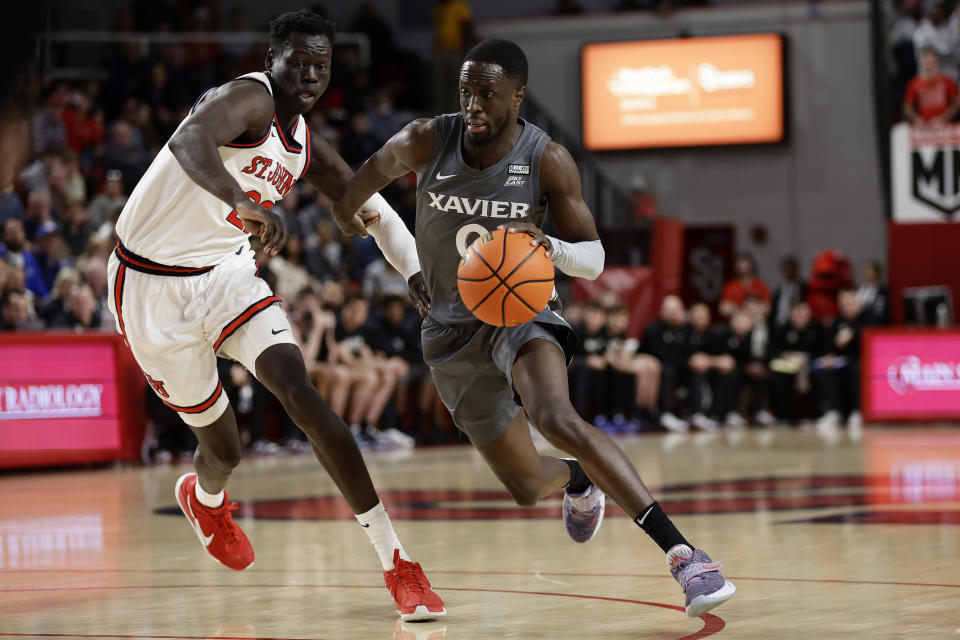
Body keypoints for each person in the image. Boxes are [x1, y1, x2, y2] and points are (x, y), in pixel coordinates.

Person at [332, 38, 735, 618]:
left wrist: (550, 249)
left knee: (555, 415)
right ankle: (575, 479)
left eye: (487, 94)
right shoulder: (426, 138)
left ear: (518, 97)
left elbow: (594, 259)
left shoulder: (546, 159)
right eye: (466, 91)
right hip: (448, 331)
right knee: (524, 487)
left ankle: (685, 557)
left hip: (521, 309)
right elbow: (354, 195)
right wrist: (400, 259)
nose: (472, 104)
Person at [106, 10, 444, 621]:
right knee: (224, 449)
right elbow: (188, 140)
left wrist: (417, 274)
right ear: (273, 59)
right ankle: (206, 499)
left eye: (322, 65)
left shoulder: (304, 143)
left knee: (302, 393)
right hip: (151, 287)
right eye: (300, 61)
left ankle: (399, 564)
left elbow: (369, 205)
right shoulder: (247, 99)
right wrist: (239, 200)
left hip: (225, 275)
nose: (311, 75)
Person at [641, 295, 691, 432]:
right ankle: (664, 413)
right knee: (668, 370)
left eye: (676, 310)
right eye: (669, 310)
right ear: (662, 311)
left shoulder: (686, 330)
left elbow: (689, 353)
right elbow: (659, 354)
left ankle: (694, 412)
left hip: (679, 368)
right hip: (655, 368)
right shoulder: (654, 328)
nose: (673, 314)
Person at [903, 46, 960, 124]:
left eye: (932, 57)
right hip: (923, 126)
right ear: (920, 60)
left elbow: (956, 103)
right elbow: (907, 106)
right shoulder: (914, 83)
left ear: (937, 60)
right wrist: (916, 119)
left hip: (944, 126)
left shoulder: (947, 82)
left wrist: (944, 118)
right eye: (925, 56)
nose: (928, 60)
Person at [719, 252, 770, 318]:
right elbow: (724, 308)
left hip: (757, 319)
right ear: (736, 268)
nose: (744, 269)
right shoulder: (730, 286)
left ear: (751, 266)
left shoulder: (760, 285)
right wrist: (741, 312)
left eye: (746, 266)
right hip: (737, 320)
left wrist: (753, 310)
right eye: (740, 266)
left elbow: (767, 308)